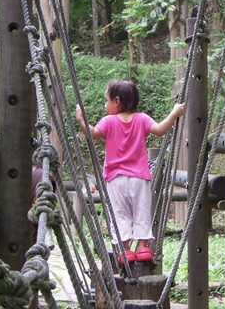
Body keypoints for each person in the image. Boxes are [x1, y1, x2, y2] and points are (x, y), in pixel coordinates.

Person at [76, 78, 185, 264]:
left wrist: (81, 119)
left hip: (115, 178)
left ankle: (125, 249)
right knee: (141, 211)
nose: (105, 105)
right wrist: (174, 114)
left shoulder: (108, 121)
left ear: (117, 101)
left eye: (107, 100)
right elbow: (159, 130)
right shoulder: (142, 119)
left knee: (120, 213)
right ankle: (143, 247)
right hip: (139, 177)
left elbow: (92, 133)